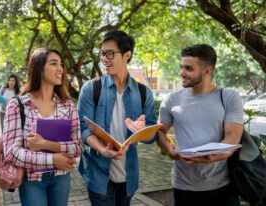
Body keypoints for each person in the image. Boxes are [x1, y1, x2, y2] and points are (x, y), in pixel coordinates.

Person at [77, 30, 157, 206]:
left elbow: (152, 136)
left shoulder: (144, 93)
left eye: (110, 53)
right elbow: (82, 129)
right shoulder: (91, 89)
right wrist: (102, 149)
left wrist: (142, 131)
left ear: (127, 55)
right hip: (98, 175)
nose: (104, 58)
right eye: (102, 54)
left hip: (129, 176)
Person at [157, 44, 243, 206]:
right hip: (183, 186)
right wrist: (168, 148)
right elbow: (160, 132)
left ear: (208, 71)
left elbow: (232, 138)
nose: (181, 73)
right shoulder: (171, 99)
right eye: (181, 67)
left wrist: (211, 156)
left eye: (188, 69)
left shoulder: (229, 97)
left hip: (223, 185)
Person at [3, 48, 83, 206]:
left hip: (61, 178)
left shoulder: (68, 107)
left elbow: (79, 147)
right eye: (54, 63)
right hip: (32, 180)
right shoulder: (17, 105)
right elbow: (11, 152)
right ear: (39, 68)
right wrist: (52, 159)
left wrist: (45, 144)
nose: (60, 68)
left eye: (61, 64)